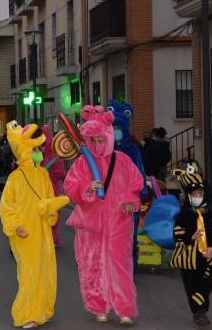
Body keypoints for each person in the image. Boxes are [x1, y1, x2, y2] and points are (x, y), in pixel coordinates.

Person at [63, 105, 144, 325]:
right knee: (93, 266)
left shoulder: (123, 161)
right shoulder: (82, 163)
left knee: (120, 265)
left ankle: (125, 309)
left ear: (108, 137)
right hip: (91, 225)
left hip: (119, 222)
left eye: (101, 140)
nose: (98, 146)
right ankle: (99, 306)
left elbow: (136, 184)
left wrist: (129, 200)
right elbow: (70, 187)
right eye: (94, 141)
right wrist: (88, 187)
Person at [0, 121, 69, 328]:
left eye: (40, 148)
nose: (39, 152)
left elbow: (49, 198)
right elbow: (6, 206)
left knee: (46, 271)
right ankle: (26, 314)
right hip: (25, 233)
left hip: (43, 232)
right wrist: (14, 225)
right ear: (25, 150)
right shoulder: (15, 178)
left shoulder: (43, 174)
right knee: (29, 273)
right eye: (35, 149)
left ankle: (42, 310)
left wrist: (51, 210)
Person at [170, 162, 212, 326]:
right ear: (189, 196)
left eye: (200, 193)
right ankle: (199, 312)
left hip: (207, 257)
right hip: (188, 259)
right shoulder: (184, 215)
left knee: (207, 284)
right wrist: (190, 236)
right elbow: (177, 233)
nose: (197, 196)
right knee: (192, 287)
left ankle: (201, 308)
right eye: (194, 193)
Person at [108, 100, 147, 275]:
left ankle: (128, 269)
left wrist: (138, 193)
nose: (116, 131)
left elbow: (139, 172)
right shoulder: (105, 148)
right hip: (110, 201)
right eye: (113, 127)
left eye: (118, 128)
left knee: (129, 238)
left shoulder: (132, 149)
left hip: (128, 200)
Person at [41, 125, 66, 247]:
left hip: (46, 189)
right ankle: (52, 238)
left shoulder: (46, 155)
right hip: (50, 189)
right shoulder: (52, 156)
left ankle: (50, 239)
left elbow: (59, 173)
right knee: (52, 214)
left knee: (49, 214)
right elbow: (60, 174)